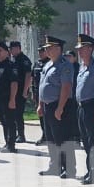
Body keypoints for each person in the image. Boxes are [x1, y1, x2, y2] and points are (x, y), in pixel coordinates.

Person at [36, 36, 78, 178]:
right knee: (51, 138)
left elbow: (66, 87)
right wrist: (40, 104)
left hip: (60, 105)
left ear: (58, 49)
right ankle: (54, 166)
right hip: (47, 106)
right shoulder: (47, 65)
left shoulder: (65, 65)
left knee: (63, 138)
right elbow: (42, 86)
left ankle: (69, 168)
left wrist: (60, 108)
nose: (46, 50)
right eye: (46, 48)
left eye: (50, 47)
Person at [73, 33, 94, 184]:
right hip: (81, 107)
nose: (79, 51)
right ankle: (89, 170)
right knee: (86, 141)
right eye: (79, 49)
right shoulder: (82, 67)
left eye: (82, 48)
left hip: (93, 106)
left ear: (90, 49)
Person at [0, 42, 21, 153]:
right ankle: (7, 143)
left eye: (0, 50)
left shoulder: (10, 66)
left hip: (8, 97)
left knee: (10, 122)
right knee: (3, 121)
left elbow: (14, 83)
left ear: (7, 52)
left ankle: (11, 145)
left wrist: (12, 99)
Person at [9, 41, 33, 144]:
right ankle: (13, 134)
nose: (10, 51)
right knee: (12, 113)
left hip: (20, 91)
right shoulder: (12, 59)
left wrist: (25, 91)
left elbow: (28, 76)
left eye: (12, 49)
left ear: (18, 48)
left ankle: (21, 135)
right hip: (12, 91)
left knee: (18, 114)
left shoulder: (24, 60)